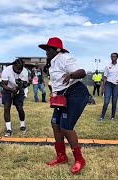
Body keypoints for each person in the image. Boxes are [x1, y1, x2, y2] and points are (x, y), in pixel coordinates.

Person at [39, 37, 89, 174]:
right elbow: (56, 82)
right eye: (46, 49)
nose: (46, 52)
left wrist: (71, 75)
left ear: (57, 50)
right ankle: (61, 156)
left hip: (75, 93)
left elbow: (82, 72)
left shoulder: (65, 58)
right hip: (62, 96)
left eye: (49, 49)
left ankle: (79, 159)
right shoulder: (52, 63)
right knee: (55, 124)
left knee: (66, 127)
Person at [0, 58, 28, 137]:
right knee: (6, 108)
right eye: (18, 69)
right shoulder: (6, 70)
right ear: (14, 66)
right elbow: (3, 84)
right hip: (7, 89)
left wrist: (20, 88)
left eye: (21, 69)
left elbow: (24, 83)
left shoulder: (24, 71)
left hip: (18, 90)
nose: (19, 71)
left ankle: (22, 125)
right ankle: (8, 129)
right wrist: (11, 90)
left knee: (20, 108)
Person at [99, 52, 118, 122]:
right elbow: (105, 77)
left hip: (117, 85)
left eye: (114, 56)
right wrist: (103, 88)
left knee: (114, 101)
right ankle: (102, 117)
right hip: (108, 84)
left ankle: (112, 117)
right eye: (112, 56)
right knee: (106, 102)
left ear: (117, 57)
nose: (113, 58)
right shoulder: (107, 66)